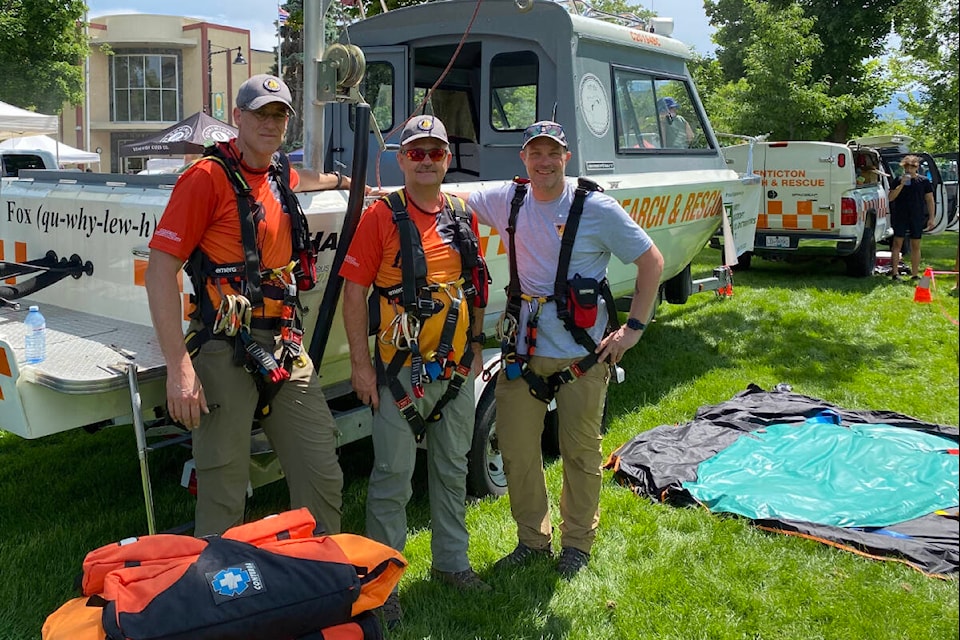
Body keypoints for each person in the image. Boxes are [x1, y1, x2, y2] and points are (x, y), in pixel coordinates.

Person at [145, 74, 357, 537]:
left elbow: (307, 178)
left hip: (283, 344)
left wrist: (350, 184)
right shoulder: (205, 179)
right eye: (260, 112)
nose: (270, 121)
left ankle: (320, 584)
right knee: (223, 486)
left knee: (321, 468)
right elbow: (158, 271)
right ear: (236, 118)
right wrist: (179, 368)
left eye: (279, 114)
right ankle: (220, 593)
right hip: (224, 345)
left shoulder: (278, 172)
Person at [468, 121, 664, 578]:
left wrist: (632, 329)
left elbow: (651, 261)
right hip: (522, 352)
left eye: (552, 153)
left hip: (582, 355)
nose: (544, 162)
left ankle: (577, 543)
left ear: (566, 157)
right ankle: (533, 541)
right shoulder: (508, 199)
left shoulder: (597, 208)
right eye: (535, 153)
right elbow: (446, 195)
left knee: (580, 453)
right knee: (517, 451)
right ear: (523, 159)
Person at [340, 115, 491, 626]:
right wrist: (361, 367)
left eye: (435, 152)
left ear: (447, 159)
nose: (427, 160)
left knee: (451, 470)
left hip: (455, 371)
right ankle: (383, 585)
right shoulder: (381, 217)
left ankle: (452, 564)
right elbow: (354, 291)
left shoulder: (460, 213)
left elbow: (473, 287)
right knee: (391, 479)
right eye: (417, 152)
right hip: (398, 372)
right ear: (402, 159)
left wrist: (473, 348)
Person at [889, 154, 935, 280]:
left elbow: (930, 200)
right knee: (897, 243)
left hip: (917, 215)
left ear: (917, 167)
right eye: (906, 167)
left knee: (916, 244)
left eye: (911, 167)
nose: (909, 170)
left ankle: (915, 274)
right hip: (900, 214)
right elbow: (891, 197)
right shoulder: (898, 180)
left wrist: (931, 218)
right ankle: (895, 273)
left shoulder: (924, 181)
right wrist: (902, 185)